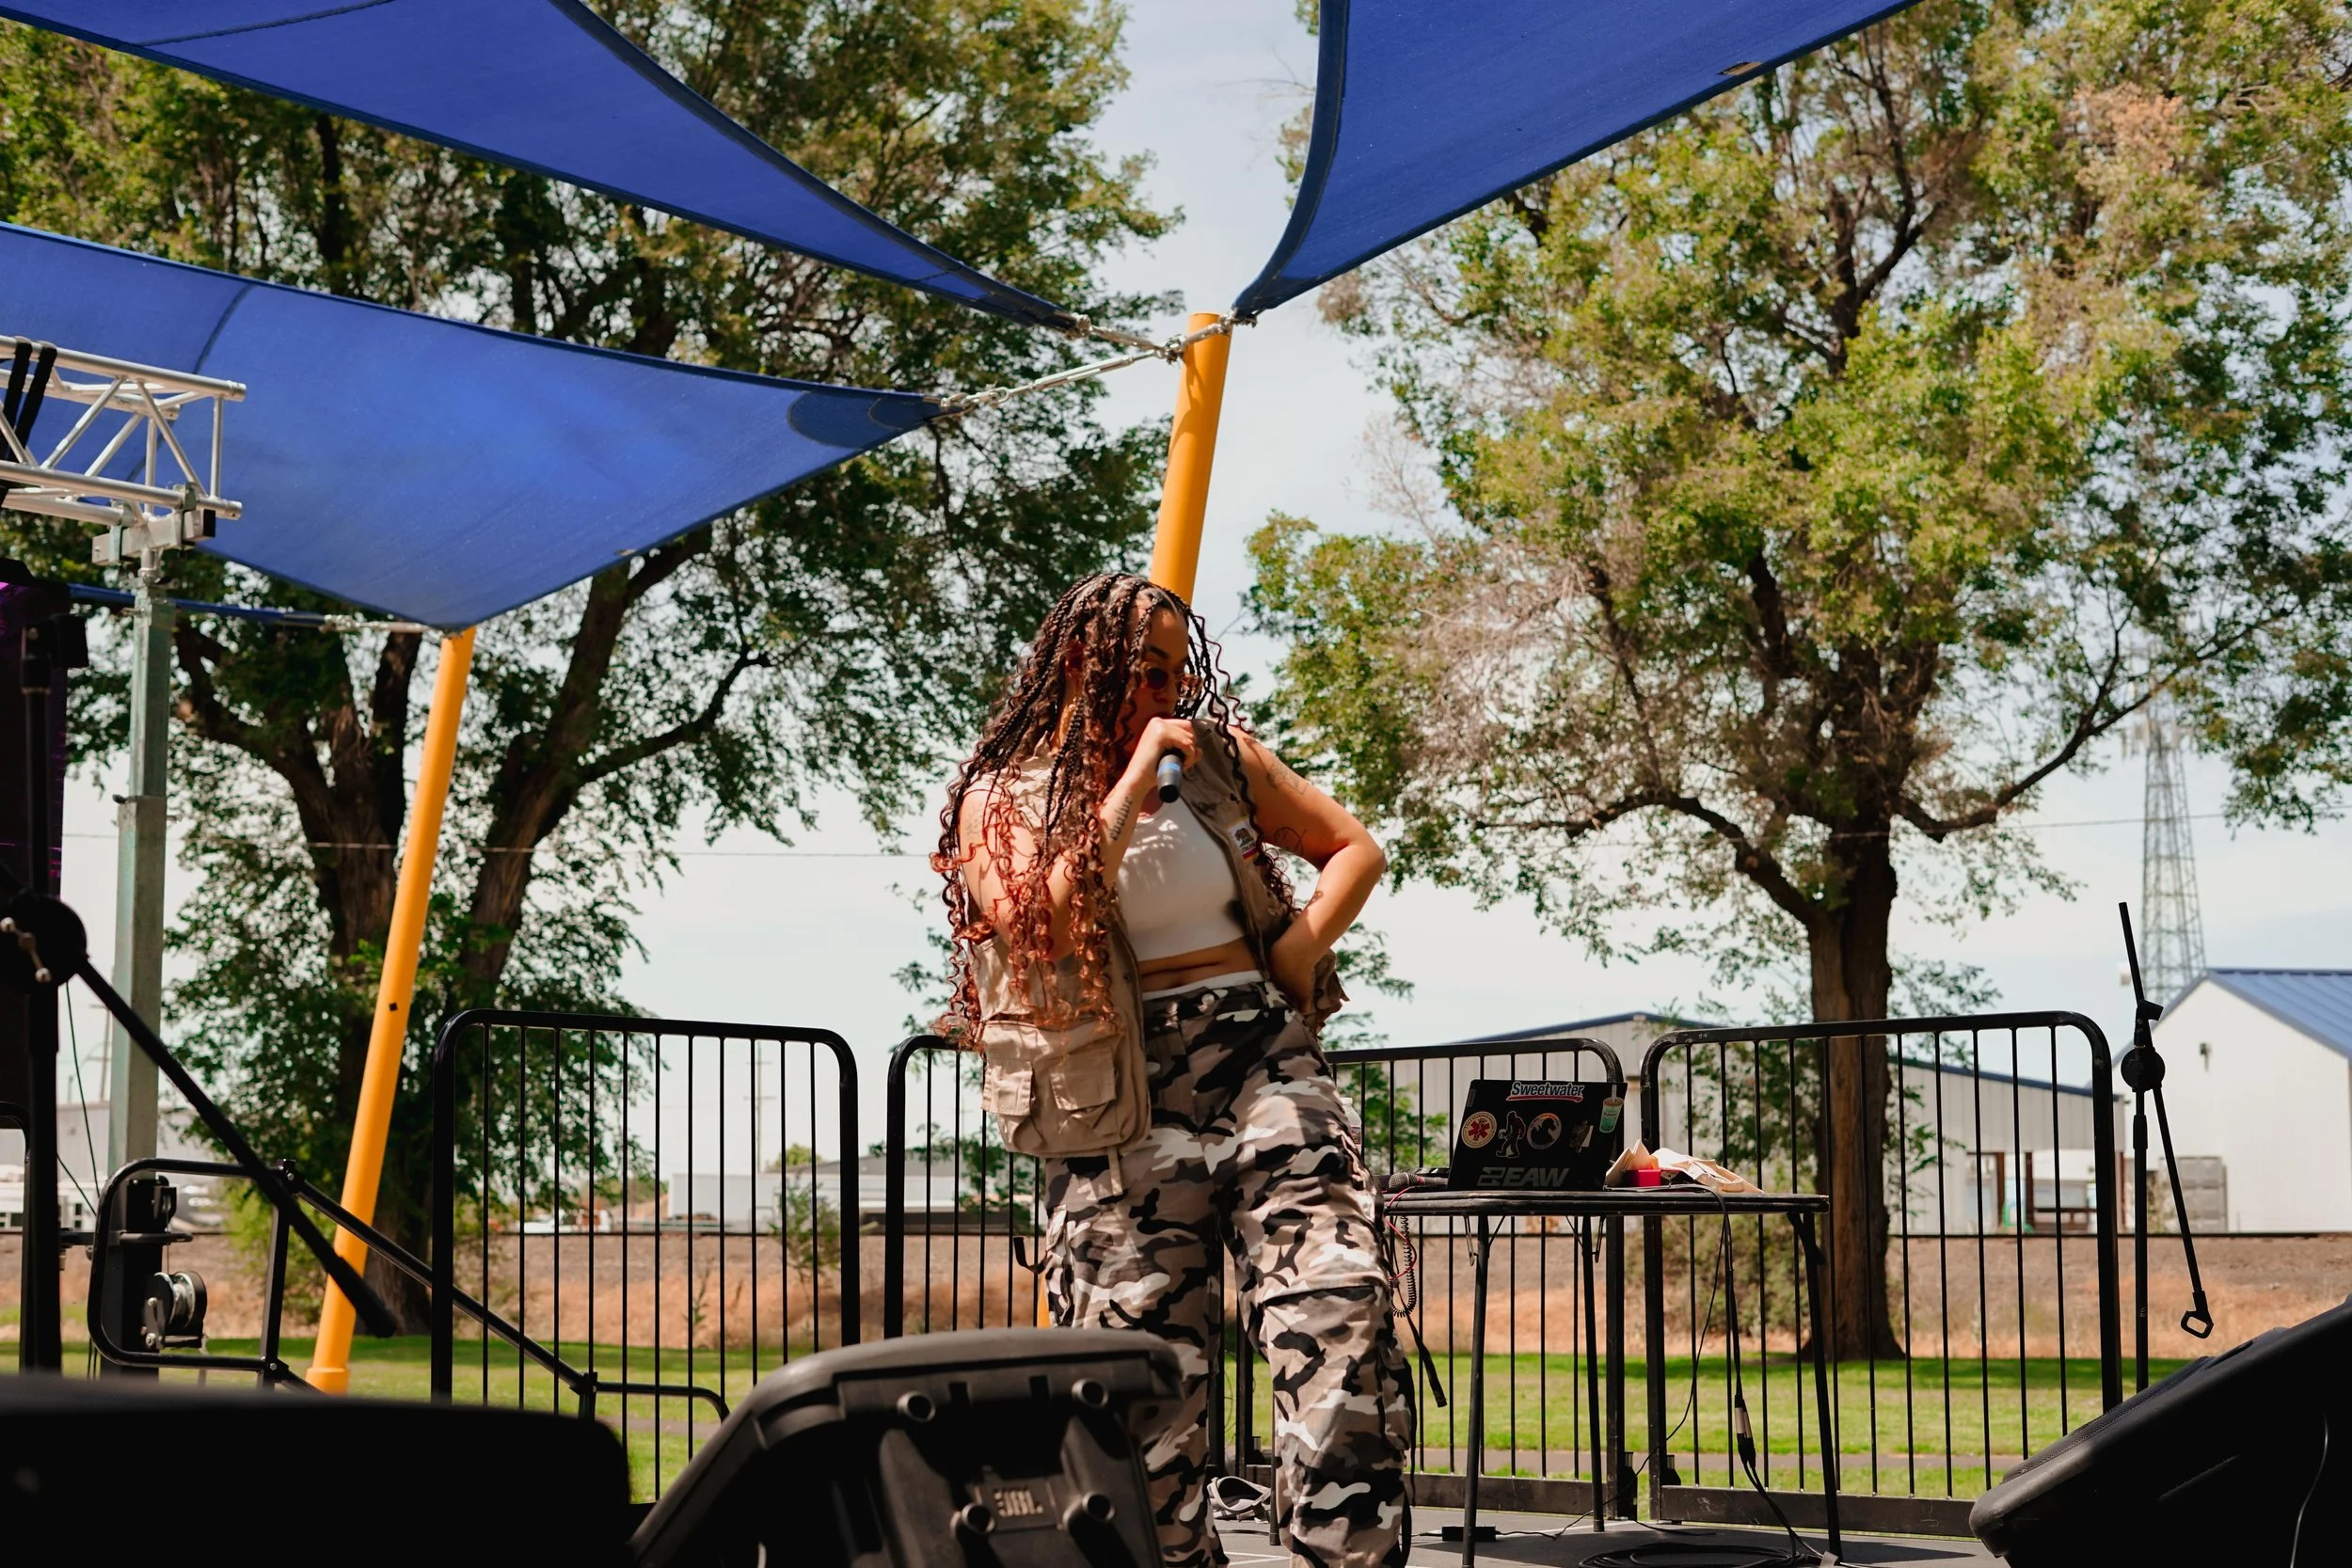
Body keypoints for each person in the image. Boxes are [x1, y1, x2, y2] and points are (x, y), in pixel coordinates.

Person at [931, 571, 1413, 1568]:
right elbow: (1045, 923)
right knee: (1135, 1377)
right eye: (1141, 675)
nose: (1162, 697)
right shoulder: (1003, 795)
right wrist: (1127, 776)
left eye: (1172, 675)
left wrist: (1296, 950)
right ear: (1077, 666)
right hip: (1117, 1091)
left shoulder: (1217, 759)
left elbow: (1353, 848)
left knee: (1339, 1310)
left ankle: (1346, 1551)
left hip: (1260, 1058)